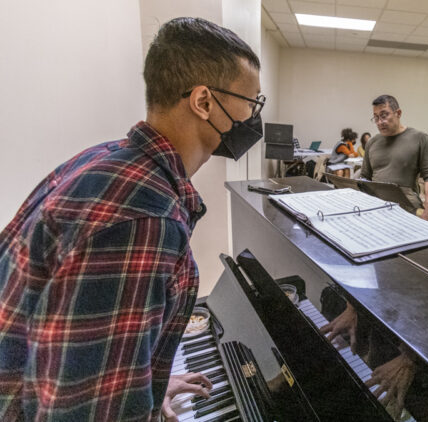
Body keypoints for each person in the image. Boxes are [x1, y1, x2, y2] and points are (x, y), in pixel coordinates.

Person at [0, 17, 265, 421]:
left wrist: (143, 384)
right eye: (251, 102)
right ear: (204, 102)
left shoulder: (104, 160)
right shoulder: (142, 219)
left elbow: (76, 352)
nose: (253, 116)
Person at [361, 95, 428, 221]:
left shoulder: (419, 138)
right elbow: (365, 177)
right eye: (376, 118)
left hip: (405, 211)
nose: (380, 122)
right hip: (375, 210)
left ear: (398, 113)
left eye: (384, 115)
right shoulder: (372, 142)